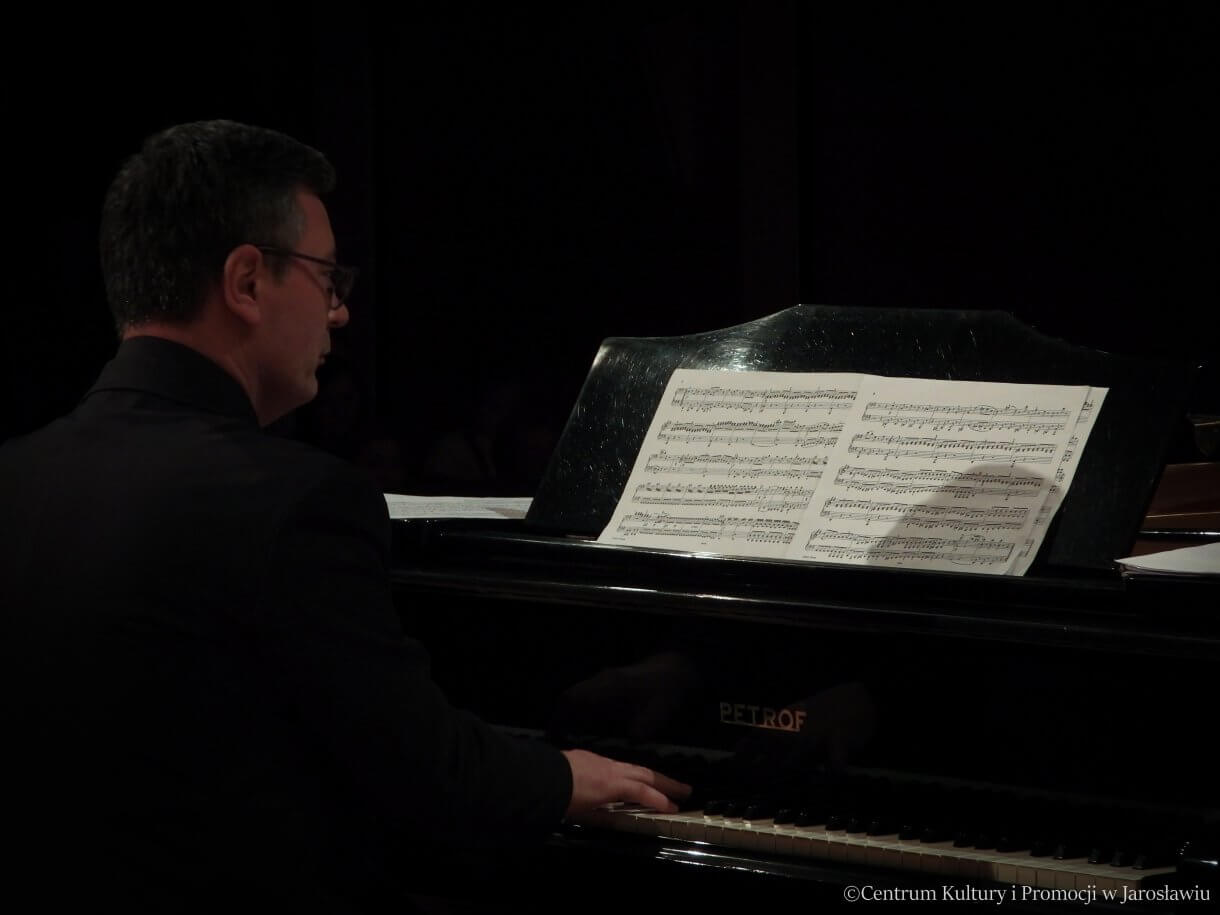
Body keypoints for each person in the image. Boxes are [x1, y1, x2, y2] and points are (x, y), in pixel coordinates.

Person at [0, 120, 687, 913]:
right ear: (247, 281)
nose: (339, 315)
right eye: (328, 280)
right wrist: (562, 773)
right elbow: (428, 772)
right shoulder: (294, 500)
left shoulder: (16, 473)